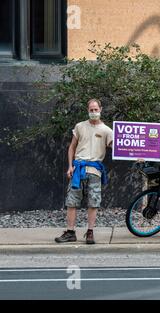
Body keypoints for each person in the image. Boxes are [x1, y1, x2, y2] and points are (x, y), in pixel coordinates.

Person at [55, 99, 113, 245]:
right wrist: (70, 166)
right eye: (91, 110)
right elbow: (72, 147)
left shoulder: (107, 130)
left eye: (96, 109)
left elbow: (119, 148)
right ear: (88, 110)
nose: (93, 112)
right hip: (78, 169)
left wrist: (137, 154)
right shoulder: (80, 126)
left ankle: (90, 232)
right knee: (72, 201)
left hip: (95, 170)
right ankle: (70, 232)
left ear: (101, 109)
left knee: (93, 202)